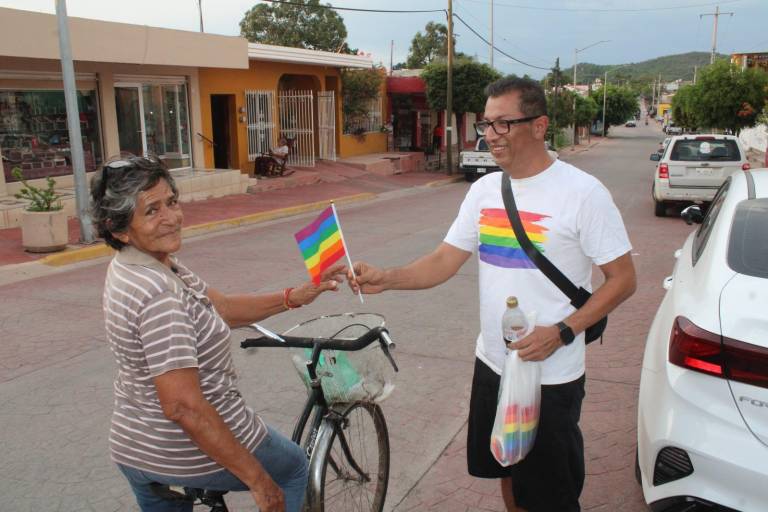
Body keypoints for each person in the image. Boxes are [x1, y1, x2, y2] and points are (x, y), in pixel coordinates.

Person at [347, 76, 636, 512]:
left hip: (550, 374)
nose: (490, 135)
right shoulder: (484, 191)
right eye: (486, 124)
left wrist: (561, 331)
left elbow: (623, 279)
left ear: (539, 126)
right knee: (506, 470)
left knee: (551, 494)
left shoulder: (582, 193)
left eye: (504, 124)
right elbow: (444, 261)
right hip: (494, 366)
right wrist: (385, 277)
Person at [90, 156, 344, 512]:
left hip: (134, 446)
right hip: (182, 449)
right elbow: (182, 406)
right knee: (293, 469)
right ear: (119, 229)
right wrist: (259, 481)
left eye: (171, 202)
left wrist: (293, 297)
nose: (171, 218)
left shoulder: (142, 266)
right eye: (151, 211)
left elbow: (221, 308)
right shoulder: (160, 294)